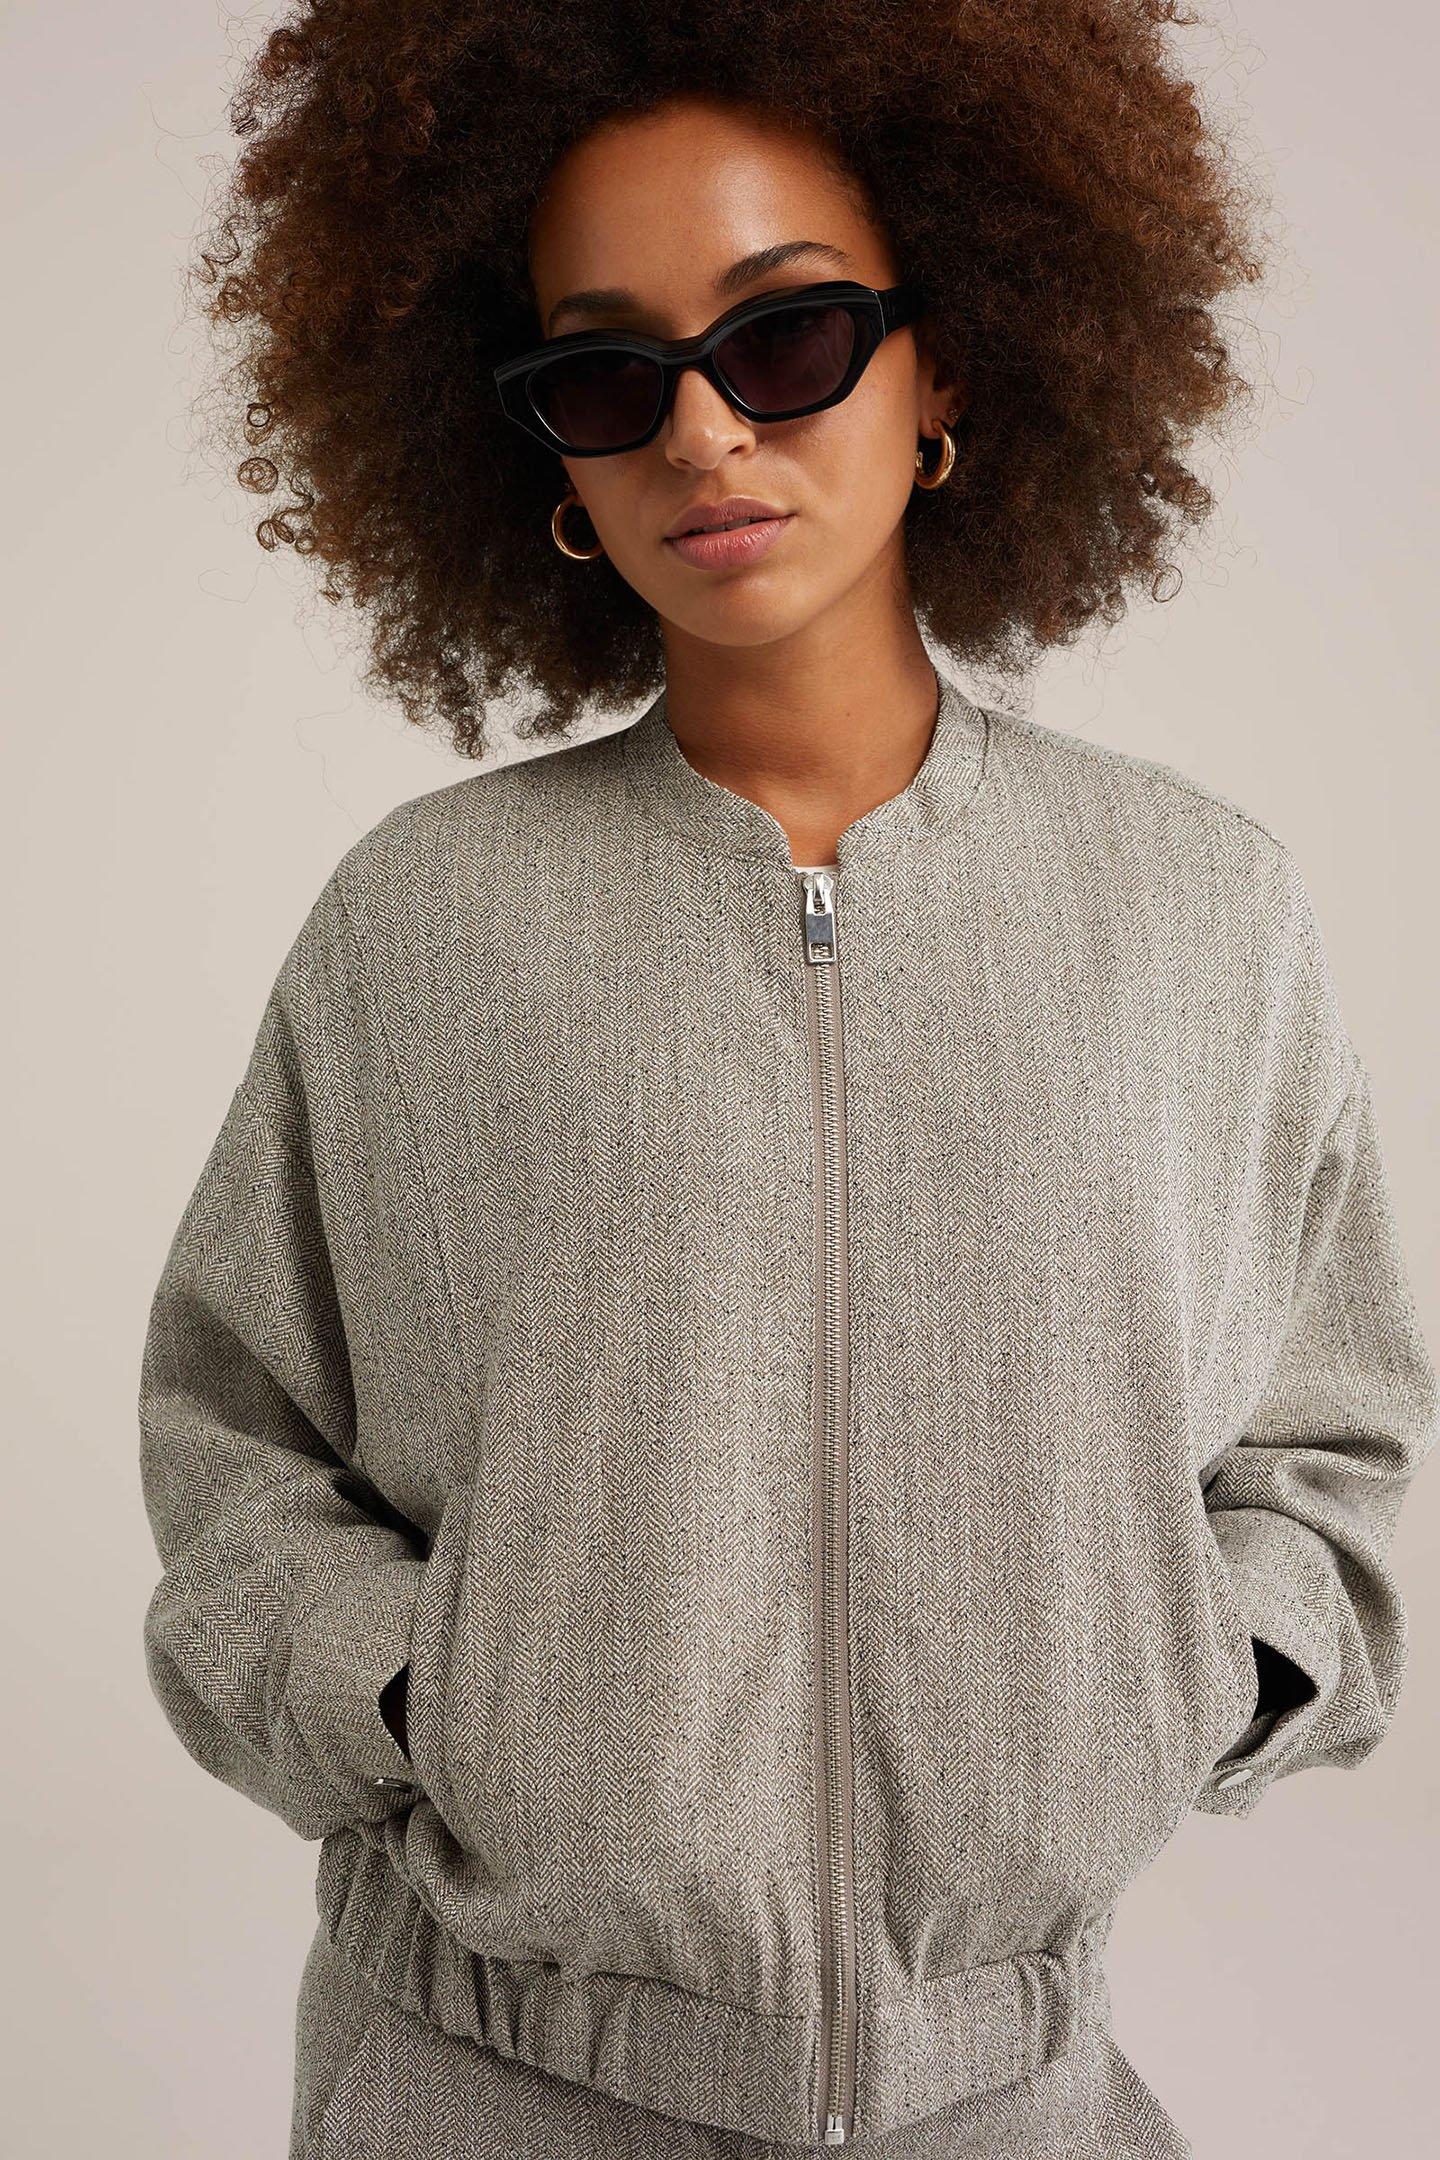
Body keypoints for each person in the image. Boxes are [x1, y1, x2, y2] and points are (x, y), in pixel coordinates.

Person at [139, 7, 1436, 2157]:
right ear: (546, 455)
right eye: (606, 374)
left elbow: (1337, 1432)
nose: (703, 431)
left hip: (1013, 2097)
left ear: (947, 368)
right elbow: (236, 1443)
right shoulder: (422, 920)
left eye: (790, 338)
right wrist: (435, 1704)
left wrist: (1202, 1681)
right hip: (481, 2082)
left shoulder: (1200, 912)